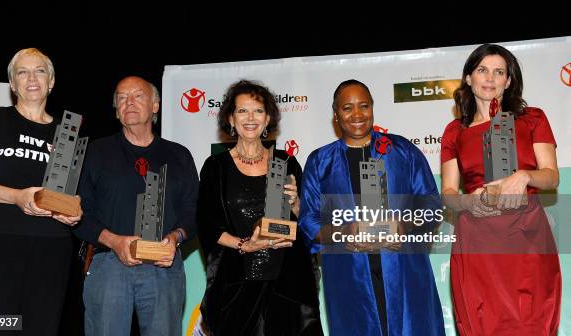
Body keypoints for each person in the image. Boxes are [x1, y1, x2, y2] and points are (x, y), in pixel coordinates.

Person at [299, 79, 445, 335]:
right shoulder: (320, 161)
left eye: (364, 106)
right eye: (347, 108)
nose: (357, 114)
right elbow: (308, 221)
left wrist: (403, 224)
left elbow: (431, 204)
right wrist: (345, 232)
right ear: (336, 115)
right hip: (349, 276)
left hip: (403, 272)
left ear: (372, 108)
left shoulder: (402, 151)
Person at [441, 43, 561, 335]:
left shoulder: (533, 118)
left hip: (527, 236)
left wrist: (524, 176)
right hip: (477, 240)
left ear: (508, 81)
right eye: (482, 70)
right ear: (469, 78)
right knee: (482, 322)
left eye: (499, 72)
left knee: (531, 321)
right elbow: (448, 193)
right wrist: (470, 201)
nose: (490, 79)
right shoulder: (454, 131)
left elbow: (551, 177)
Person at [0, 47, 82, 335]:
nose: (32, 78)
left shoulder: (67, 134)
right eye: (22, 72)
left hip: (51, 247)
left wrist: (73, 211)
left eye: (40, 71)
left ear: (51, 82)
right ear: (12, 84)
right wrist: (18, 197)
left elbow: (72, 195)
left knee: (39, 328)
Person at [73, 76, 199, 336]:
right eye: (121, 97)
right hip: (108, 264)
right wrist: (114, 241)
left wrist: (175, 238)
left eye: (138, 96)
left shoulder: (179, 155)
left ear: (155, 106)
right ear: (116, 108)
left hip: (163, 267)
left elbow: (193, 211)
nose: (129, 102)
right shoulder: (94, 153)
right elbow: (77, 213)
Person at [197, 80, 323, 335]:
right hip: (238, 282)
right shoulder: (216, 167)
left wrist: (296, 204)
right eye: (242, 111)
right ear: (231, 119)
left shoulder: (287, 161)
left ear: (267, 120)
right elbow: (206, 224)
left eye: (258, 111)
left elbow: (306, 219)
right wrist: (245, 245)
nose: (250, 118)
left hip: (288, 282)